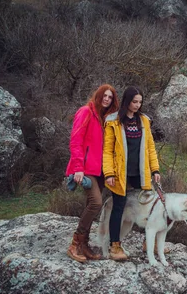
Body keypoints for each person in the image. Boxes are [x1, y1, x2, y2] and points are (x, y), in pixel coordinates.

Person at [102, 86, 161, 261]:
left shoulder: (144, 121)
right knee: (119, 207)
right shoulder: (113, 121)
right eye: (134, 102)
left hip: (140, 173)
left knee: (149, 205)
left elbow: (150, 147)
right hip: (120, 173)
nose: (137, 105)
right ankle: (115, 246)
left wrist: (155, 169)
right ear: (127, 101)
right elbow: (107, 150)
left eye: (140, 102)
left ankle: (149, 242)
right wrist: (109, 173)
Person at [65, 84, 119, 263]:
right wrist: (78, 167)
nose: (107, 99)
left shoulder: (106, 118)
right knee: (96, 202)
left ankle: (84, 245)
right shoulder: (86, 112)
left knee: (91, 203)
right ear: (98, 95)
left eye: (110, 97)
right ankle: (75, 243)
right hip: (86, 169)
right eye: (105, 95)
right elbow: (75, 140)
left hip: (100, 170)